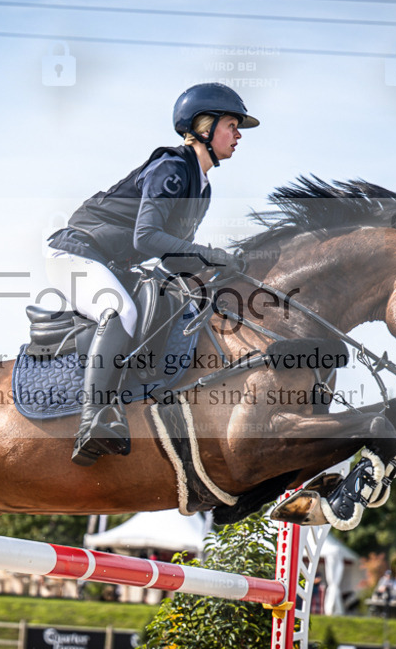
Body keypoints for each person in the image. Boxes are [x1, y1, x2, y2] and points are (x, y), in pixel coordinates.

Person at [45, 82, 259, 466]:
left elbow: (174, 260)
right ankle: (93, 420)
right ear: (204, 127)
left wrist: (221, 268)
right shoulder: (171, 168)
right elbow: (146, 238)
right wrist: (209, 254)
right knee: (120, 311)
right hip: (75, 253)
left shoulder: (202, 188)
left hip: (111, 264)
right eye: (231, 125)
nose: (238, 134)